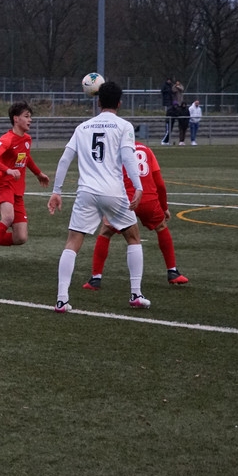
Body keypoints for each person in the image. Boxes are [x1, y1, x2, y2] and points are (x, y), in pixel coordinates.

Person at [47, 81, 150, 313]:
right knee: (133, 237)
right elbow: (128, 158)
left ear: (98, 102)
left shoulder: (82, 127)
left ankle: (61, 300)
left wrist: (57, 191)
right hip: (113, 192)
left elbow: (64, 159)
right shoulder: (124, 126)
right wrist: (138, 186)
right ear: (120, 103)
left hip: (86, 192)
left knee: (72, 242)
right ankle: (136, 294)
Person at [83, 139, 188, 290]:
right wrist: (164, 207)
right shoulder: (146, 150)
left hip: (125, 200)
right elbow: (160, 184)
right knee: (161, 227)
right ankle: (172, 272)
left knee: (105, 233)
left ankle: (95, 279)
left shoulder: (114, 151)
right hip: (148, 199)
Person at [0, 101, 50, 271]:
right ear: (16, 119)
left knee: (20, 237)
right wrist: (7, 170)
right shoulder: (7, 139)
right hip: (3, 186)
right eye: (26, 116)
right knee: (7, 218)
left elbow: (26, 157)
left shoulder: (27, 139)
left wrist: (38, 173)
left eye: (30, 117)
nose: (30, 120)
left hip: (17, 190)